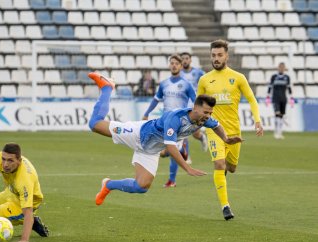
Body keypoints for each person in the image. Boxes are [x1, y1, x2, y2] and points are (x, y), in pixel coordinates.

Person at [87, 72, 243, 206]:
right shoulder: (175, 117)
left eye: (210, 113)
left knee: (142, 186)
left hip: (151, 150)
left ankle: (108, 185)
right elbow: (171, 147)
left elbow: (216, 125)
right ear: (195, 108)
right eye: (206, 112)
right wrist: (187, 168)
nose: (208, 116)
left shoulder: (204, 118)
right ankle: (107, 87)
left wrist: (226, 139)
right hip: (137, 134)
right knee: (95, 124)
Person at [197, 39, 264, 220]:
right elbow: (198, 105)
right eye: (213, 55)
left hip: (234, 130)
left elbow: (251, 99)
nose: (216, 58)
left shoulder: (238, 78)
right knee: (219, 164)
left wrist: (257, 120)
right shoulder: (204, 80)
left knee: (231, 167)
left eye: (220, 55)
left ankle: (224, 173)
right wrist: (197, 122)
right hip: (213, 129)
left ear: (227, 55)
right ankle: (225, 206)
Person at [142, 54, 196, 188]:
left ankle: (172, 180)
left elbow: (196, 101)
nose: (174, 65)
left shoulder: (186, 85)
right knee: (163, 151)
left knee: (171, 151)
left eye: (176, 63)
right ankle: (183, 152)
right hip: (165, 121)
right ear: (169, 65)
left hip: (179, 122)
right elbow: (156, 99)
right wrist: (146, 113)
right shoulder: (164, 83)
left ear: (180, 66)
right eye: (172, 63)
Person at [180, 52, 208, 154]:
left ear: (190, 60)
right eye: (182, 58)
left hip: (196, 105)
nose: (185, 60)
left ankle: (201, 137)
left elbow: (207, 82)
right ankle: (185, 155)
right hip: (183, 105)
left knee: (195, 134)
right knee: (182, 131)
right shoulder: (179, 73)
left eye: (186, 58)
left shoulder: (198, 72)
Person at [267, 62, 293, 139]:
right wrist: (268, 96)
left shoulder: (287, 77)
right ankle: (276, 132)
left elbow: (289, 88)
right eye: (280, 67)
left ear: (284, 68)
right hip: (275, 98)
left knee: (281, 115)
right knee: (277, 114)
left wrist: (291, 97)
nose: (281, 68)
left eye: (283, 67)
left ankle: (280, 132)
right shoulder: (274, 77)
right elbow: (270, 87)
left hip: (283, 99)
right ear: (278, 68)